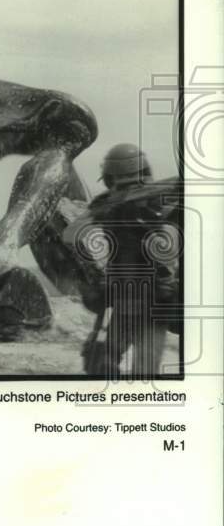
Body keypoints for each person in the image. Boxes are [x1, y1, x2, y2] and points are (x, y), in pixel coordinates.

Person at [78, 143, 180, 378]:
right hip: (149, 299)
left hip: (133, 297)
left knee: (107, 362)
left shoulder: (106, 207)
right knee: (139, 372)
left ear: (109, 176)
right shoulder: (163, 203)